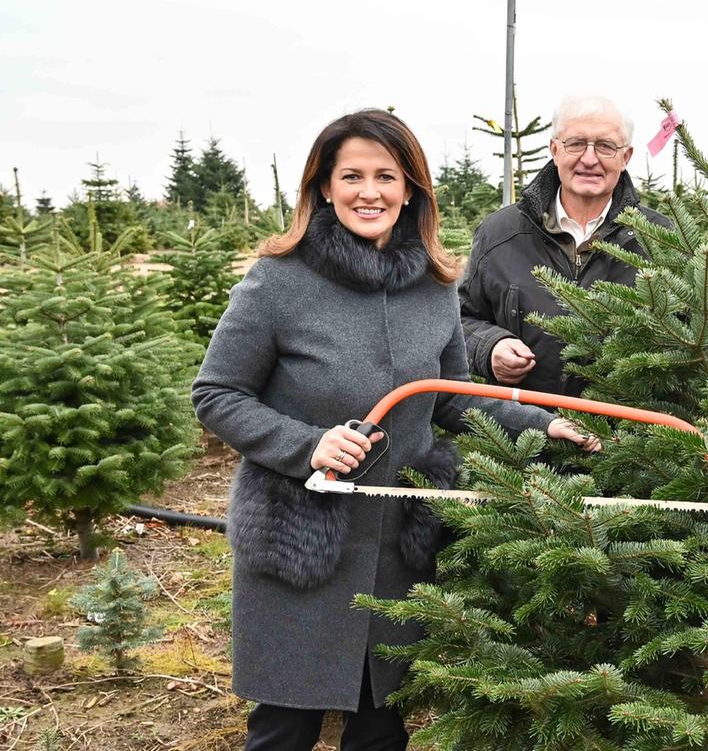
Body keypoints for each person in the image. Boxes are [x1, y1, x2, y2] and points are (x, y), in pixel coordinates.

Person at [193, 109, 599, 751]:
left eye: (387, 175)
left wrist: (542, 424)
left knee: (381, 725)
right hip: (302, 537)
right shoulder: (278, 281)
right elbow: (217, 394)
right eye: (351, 175)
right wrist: (308, 446)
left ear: (410, 189)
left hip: (395, 546)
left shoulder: (434, 287)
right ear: (323, 186)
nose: (369, 191)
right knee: (284, 726)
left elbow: (451, 401)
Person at [459, 94, 670, 396]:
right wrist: (490, 347)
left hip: (623, 437)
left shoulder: (660, 238)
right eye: (576, 144)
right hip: (520, 436)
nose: (589, 159)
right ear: (555, 149)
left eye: (606, 146)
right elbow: (461, 319)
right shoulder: (500, 233)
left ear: (626, 157)